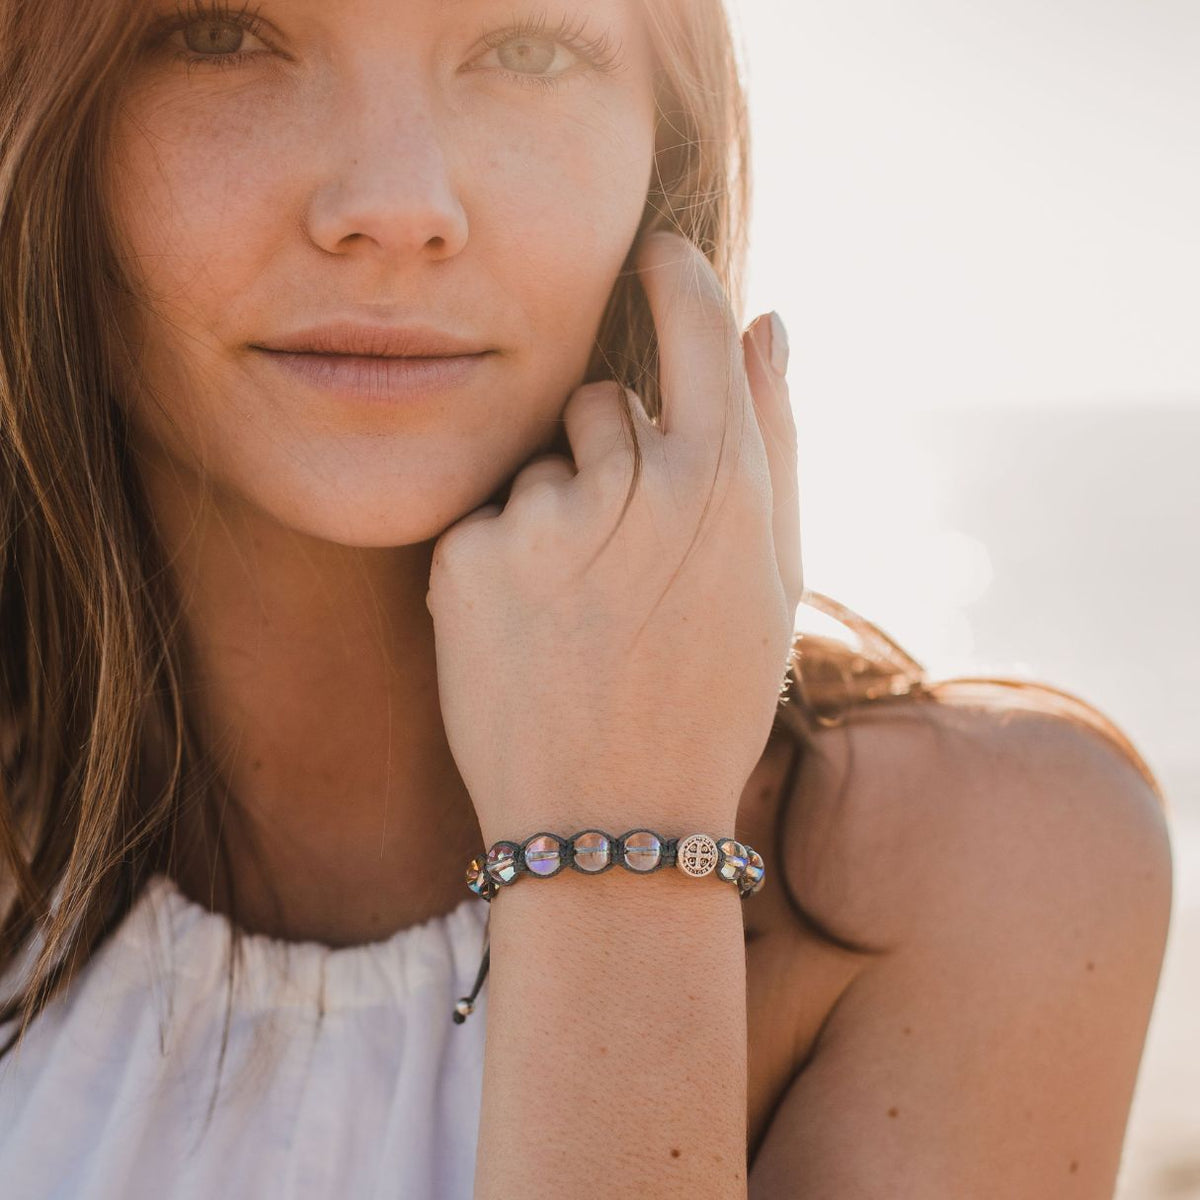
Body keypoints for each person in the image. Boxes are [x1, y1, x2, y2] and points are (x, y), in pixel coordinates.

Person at [0, 1, 1172, 1197]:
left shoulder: (980, 872)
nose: (400, 205)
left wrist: (626, 845)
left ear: (665, 151)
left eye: (526, 50)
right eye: (220, 34)